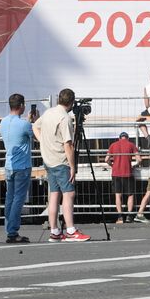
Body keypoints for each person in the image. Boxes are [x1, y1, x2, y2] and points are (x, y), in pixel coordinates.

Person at [36, 89, 89, 242]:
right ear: (71, 103)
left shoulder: (49, 112)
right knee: (68, 194)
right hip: (60, 160)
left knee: (54, 194)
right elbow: (68, 145)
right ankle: (71, 230)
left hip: (49, 159)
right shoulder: (65, 118)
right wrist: (73, 166)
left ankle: (54, 230)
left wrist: (43, 142)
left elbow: (35, 126)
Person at [0, 93, 34, 244]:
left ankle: (9, 229)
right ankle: (12, 232)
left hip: (9, 165)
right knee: (18, 199)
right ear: (21, 106)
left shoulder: (3, 122)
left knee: (10, 198)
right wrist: (34, 121)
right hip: (22, 166)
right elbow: (34, 136)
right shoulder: (24, 124)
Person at [105, 131, 141, 224]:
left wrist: (112, 165)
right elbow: (139, 160)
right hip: (127, 172)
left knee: (118, 195)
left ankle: (120, 217)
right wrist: (133, 165)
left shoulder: (113, 145)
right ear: (127, 138)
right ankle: (129, 216)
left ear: (119, 138)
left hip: (116, 173)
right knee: (130, 195)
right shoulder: (131, 144)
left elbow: (106, 159)